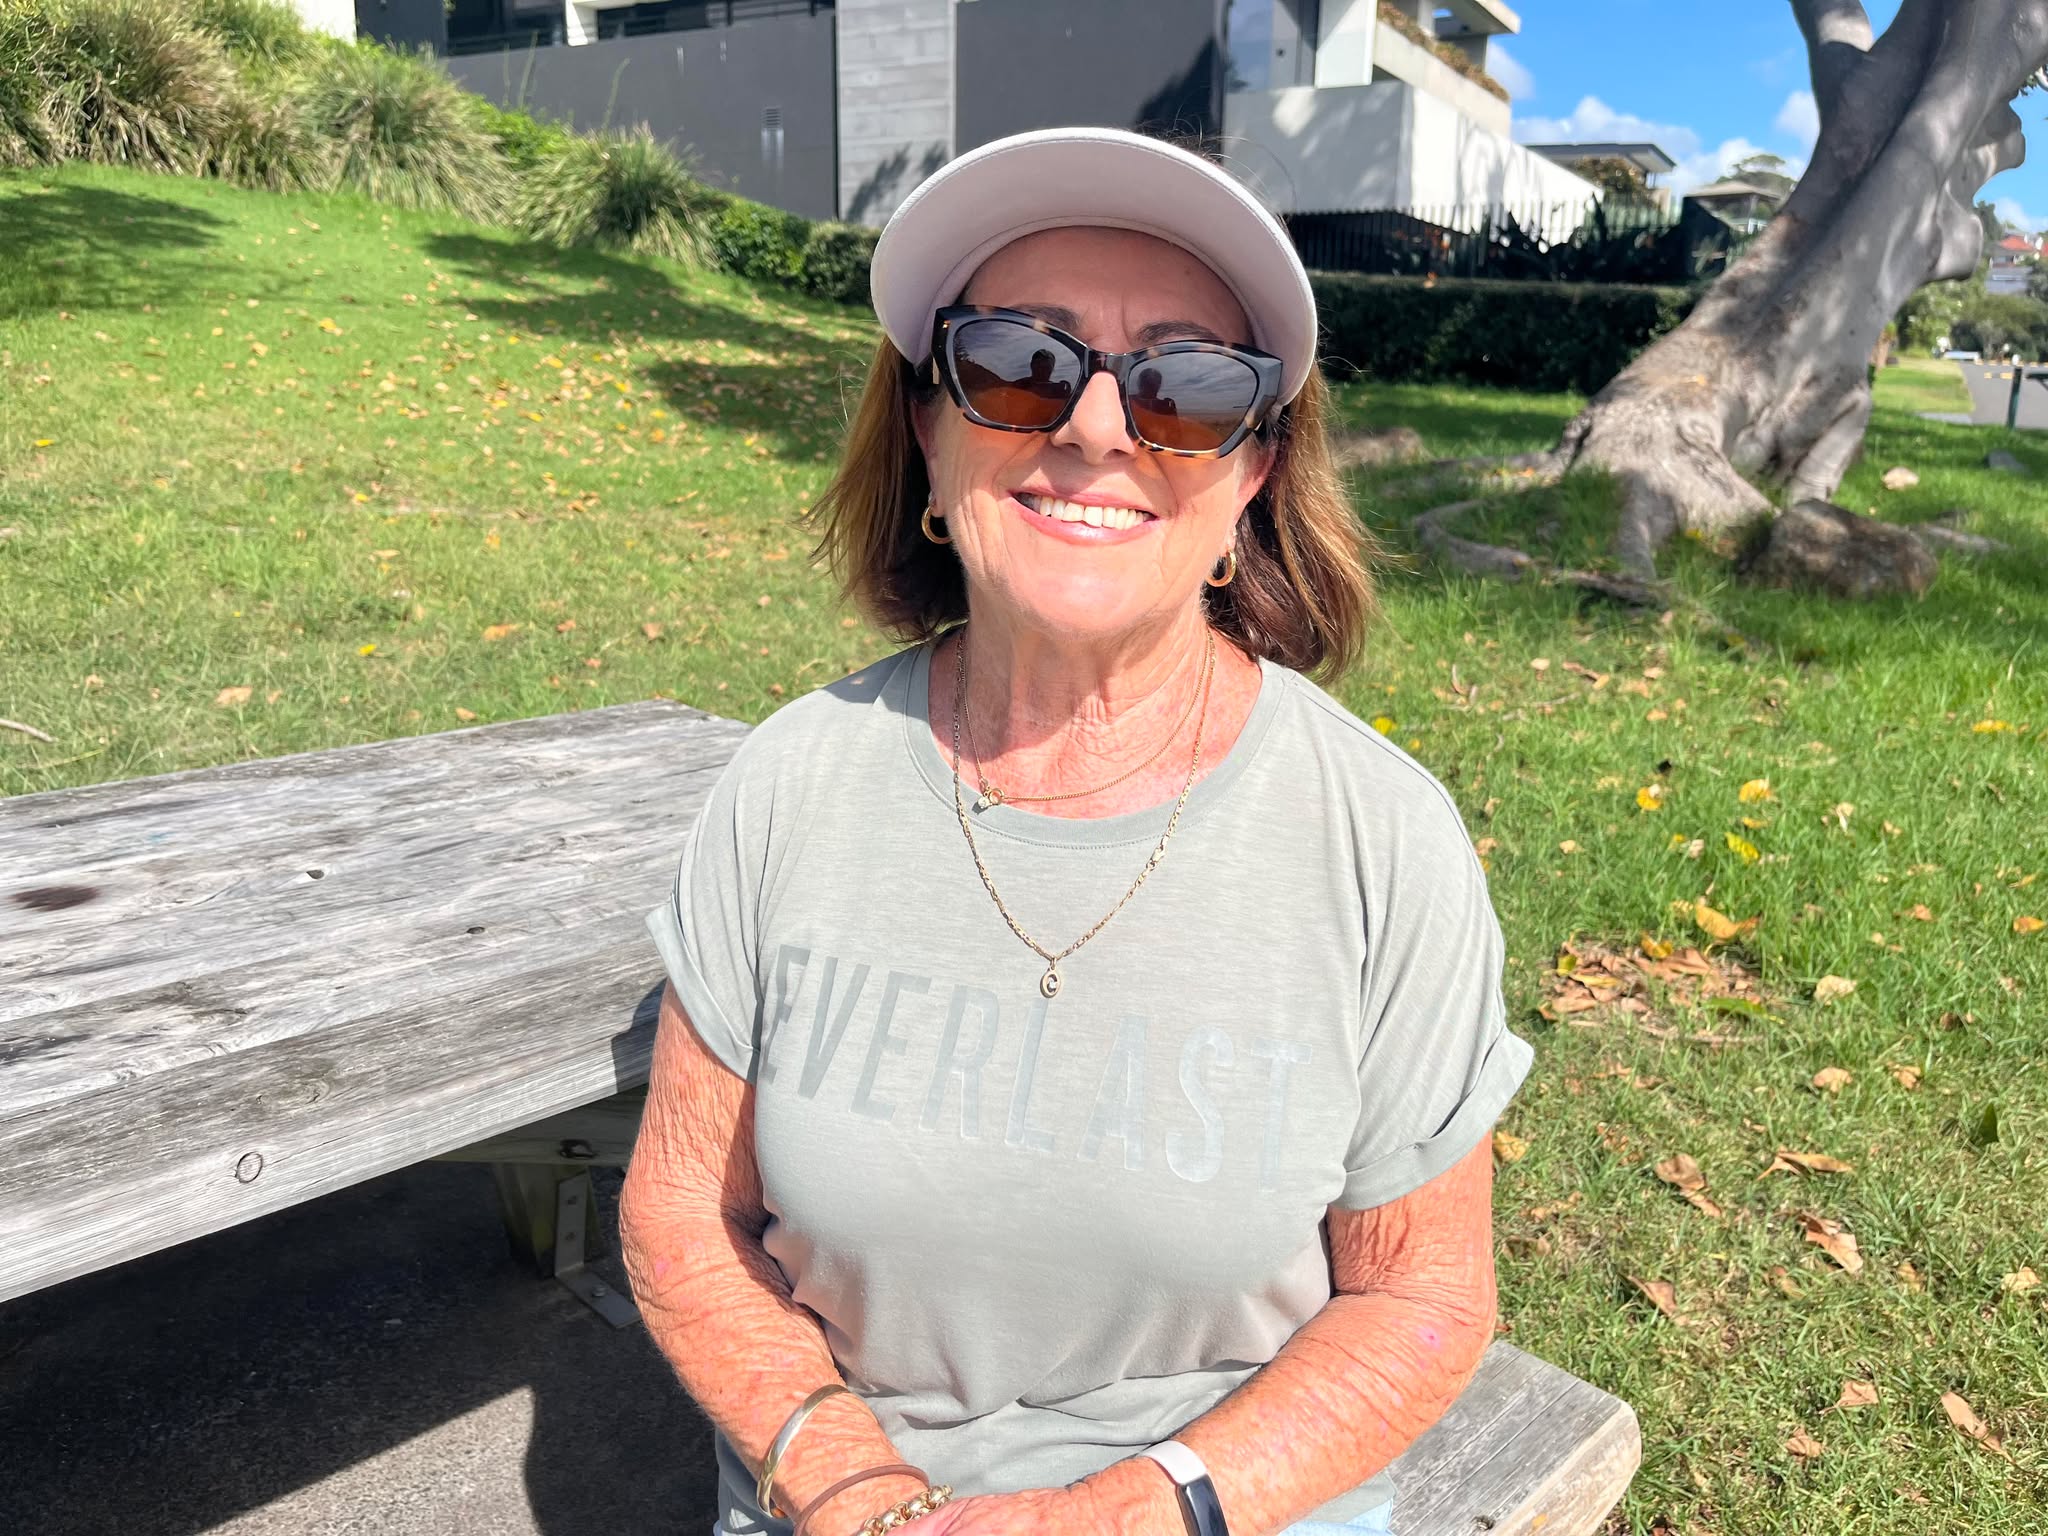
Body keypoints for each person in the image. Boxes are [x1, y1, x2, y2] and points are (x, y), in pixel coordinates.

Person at [622, 126, 1533, 1536]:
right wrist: (848, 1482)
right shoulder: (793, 782)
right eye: (1016, 363)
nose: (1097, 428)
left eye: (1185, 386)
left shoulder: (1383, 841)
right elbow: (684, 1215)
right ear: (927, 430)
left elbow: (1425, 1293)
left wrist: (1132, 1510)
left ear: (1251, 479)